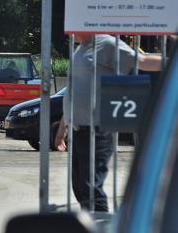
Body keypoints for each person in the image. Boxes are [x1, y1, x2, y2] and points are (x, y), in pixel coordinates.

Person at [54, 34, 163, 212]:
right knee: (80, 187)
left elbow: (141, 61)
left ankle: (100, 229)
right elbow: (72, 94)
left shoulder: (106, 44)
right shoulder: (80, 49)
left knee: (90, 188)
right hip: (78, 131)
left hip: (98, 131)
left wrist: (171, 60)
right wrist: (61, 129)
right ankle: (91, 229)